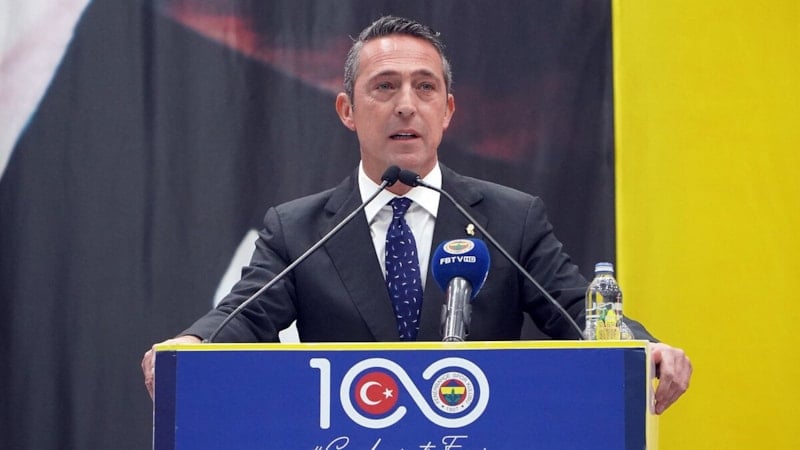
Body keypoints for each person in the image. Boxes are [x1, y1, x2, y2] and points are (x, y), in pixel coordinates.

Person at [141, 15, 691, 414]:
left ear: (446, 110)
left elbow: (577, 311)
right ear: (347, 110)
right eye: (385, 87)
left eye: (424, 87)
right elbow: (244, 315)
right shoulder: (299, 230)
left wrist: (643, 347)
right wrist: (192, 345)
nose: (406, 104)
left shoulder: (510, 219)